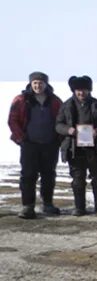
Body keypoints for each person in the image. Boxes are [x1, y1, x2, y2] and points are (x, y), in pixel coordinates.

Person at [9, 72, 63, 218]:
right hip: (29, 144)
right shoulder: (21, 100)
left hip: (50, 144)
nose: (38, 86)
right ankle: (28, 206)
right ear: (31, 84)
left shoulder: (55, 101)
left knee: (48, 175)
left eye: (41, 83)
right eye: (35, 83)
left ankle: (47, 204)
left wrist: (58, 139)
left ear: (46, 84)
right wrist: (21, 138)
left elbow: (62, 120)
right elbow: (12, 120)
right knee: (28, 175)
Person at [55, 76, 97, 216]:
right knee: (78, 179)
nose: (81, 93)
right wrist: (68, 130)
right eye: (78, 90)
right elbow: (58, 125)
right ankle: (79, 207)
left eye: (84, 90)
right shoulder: (66, 105)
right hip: (75, 149)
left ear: (89, 90)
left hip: (96, 148)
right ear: (74, 90)